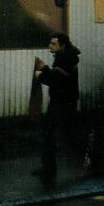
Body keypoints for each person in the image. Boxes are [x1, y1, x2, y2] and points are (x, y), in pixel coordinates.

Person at [34, 32, 81, 178]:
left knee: (52, 133)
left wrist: (42, 72)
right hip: (63, 101)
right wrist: (46, 69)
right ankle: (48, 167)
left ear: (62, 45)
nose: (50, 46)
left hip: (62, 102)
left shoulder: (65, 60)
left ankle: (49, 168)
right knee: (61, 133)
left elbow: (56, 80)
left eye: (53, 44)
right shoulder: (66, 57)